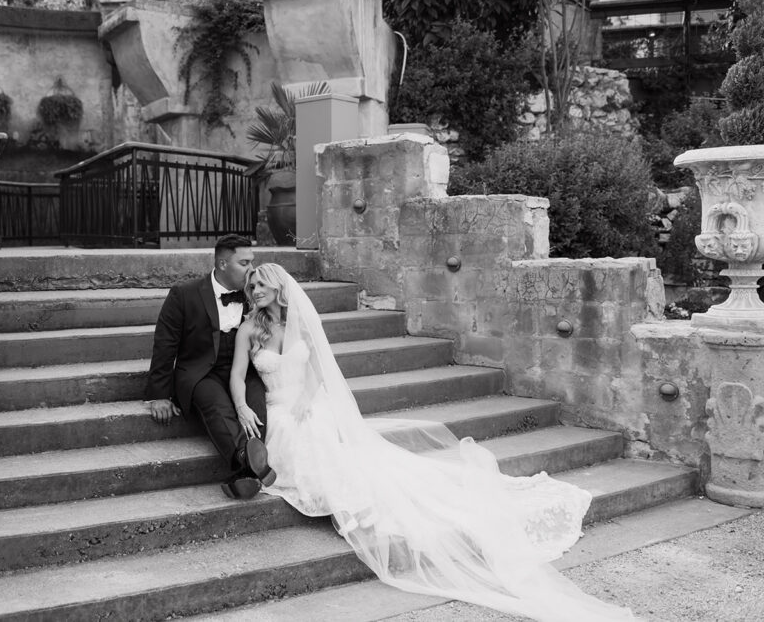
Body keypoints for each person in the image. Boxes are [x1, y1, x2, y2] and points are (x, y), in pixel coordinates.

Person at [229, 263, 638, 622]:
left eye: (260, 286)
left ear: (278, 287)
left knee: (322, 436)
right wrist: (243, 408)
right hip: (277, 411)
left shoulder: (301, 322)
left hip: (305, 404)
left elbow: (319, 370)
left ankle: (355, 507)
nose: (254, 293)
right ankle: (348, 503)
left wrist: (305, 400)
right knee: (300, 461)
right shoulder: (250, 328)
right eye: (250, 289)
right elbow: (237, 374)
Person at [145, 234, 276, 500]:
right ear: (223, 264)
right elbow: (165, 343)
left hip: (242, 369)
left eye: (252, 262)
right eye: (244, 263)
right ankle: (245, 458)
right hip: (201, 372)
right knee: (217, 407)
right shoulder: (184, 294)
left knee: (256, 410)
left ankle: (245, 472)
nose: (251, 270)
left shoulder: (254, 294)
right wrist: (159, 394)